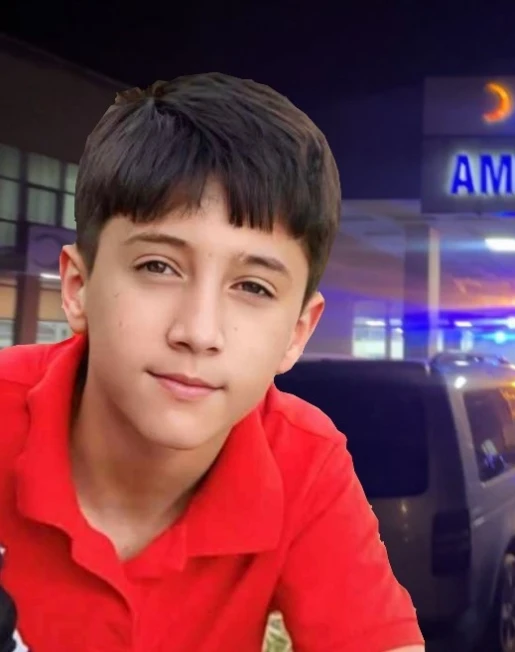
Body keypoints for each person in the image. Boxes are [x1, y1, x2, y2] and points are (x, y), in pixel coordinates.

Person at [0, 74, 424, 651]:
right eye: (157, 267)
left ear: (297, 333)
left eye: (253, 287)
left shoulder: (301, 463)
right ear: (78, 288)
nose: (199, 333)